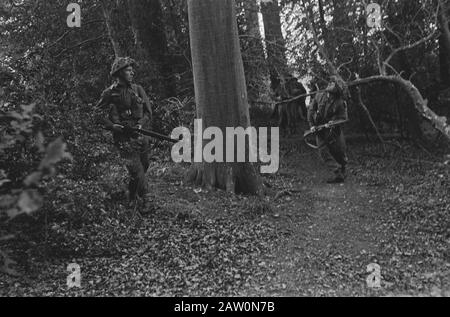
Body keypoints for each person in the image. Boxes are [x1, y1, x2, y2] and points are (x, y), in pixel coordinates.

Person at [96, 57, 153, 207]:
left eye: (131, 70)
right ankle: (147, 200)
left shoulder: (138, 89)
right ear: (120, 73)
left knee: (144, 165)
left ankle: (131, 195)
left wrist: (141, 124)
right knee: (136, 170)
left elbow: (148, 112)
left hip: (141, 136)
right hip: (123, 139)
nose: (132, 73)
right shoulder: (109, 93)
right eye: (128, 70)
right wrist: (112, 126)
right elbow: (97, 114)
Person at [307, 76, 349, 184]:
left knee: (339, 151)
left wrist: (333, 122)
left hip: (333, 130)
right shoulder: (319, 95)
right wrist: (311, 125)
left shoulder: (340, 102)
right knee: (323, 151)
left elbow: (343, 118)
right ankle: (337, 172)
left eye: (334, 94)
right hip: (319, 129)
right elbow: (311, 110)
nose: (331, 95)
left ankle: (343, 166)